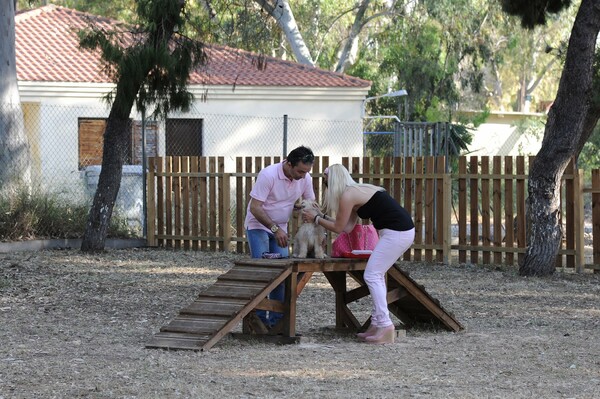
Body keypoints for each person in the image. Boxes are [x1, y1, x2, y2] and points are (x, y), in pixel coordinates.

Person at [302, 164, 415, 344]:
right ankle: (378, 323)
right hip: (397, 231)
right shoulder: (356, 191)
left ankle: (385, 325)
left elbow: (338, 227)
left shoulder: (348, 195)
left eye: (326, 184)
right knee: (375, 275)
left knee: (372, 275)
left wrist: (316, 218)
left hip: (397, 232)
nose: (326, 188)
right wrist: (321, 216)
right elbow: (347, 227)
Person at [245, 146, 316, 327]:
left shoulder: (305, 178)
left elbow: (311, 206)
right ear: (289, 163)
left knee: (282, 276)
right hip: (258, 226)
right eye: (300, 171)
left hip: (280, 228)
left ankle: (276, 324)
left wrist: (315, 232)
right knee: (263, 273)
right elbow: (255, 207)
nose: (303, 175)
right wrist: (275, 229)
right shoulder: (268, 175)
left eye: (306, 171)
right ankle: (258, 322)